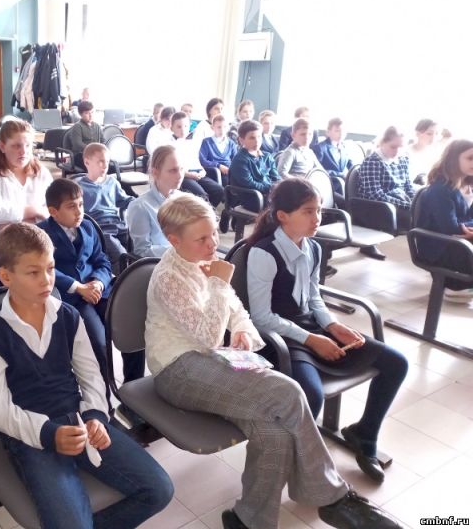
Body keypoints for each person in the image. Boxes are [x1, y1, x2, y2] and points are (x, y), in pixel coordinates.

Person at [146, 193, 402, 529]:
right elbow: (207, 336)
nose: (212, 244)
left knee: (275, 431)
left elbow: (237, 309)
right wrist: (219, 283)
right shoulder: (168, 277)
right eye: (201, 239)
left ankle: (249, 520)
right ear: (173, 240)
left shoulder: (203, 260)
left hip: (213, 360)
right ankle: (334, 499)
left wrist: (241, 330)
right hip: (177, 370)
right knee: (288, 391)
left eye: (213, 234)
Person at [0, 223, 173, 529]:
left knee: (159, 490)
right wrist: (48, 434)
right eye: (33, 272)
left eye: (50, 268)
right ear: (6, 276)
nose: (46, 280)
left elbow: (91, 375)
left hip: (78, 420)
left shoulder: (68, 316)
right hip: (31, 435)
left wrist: (95, 416)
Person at [247, 178, 408, 483]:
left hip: (310, 326)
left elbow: (314, 298)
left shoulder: (314, 248)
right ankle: (295, 460)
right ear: (283, 216)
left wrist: (333, 325)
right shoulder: (263, 253)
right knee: (311, 394)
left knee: (396, 363)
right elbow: (262, 317)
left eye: (319, 210)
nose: (317, 218)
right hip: (281, 337)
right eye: (308, 211)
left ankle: (365, 435)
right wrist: (312, 339)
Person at [39, 179, 145, 389]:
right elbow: (45, 268)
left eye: (81, 204)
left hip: (99, 291)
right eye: (71, 206)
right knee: (99, 343)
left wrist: (99, 282)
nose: (79, 211)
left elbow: (102, 260)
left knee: (132, 329)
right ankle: (103, 393)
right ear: (53, 211)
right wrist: (78, 287)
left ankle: (133, 387)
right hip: (72, 298)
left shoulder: (88, 227)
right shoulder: (42, 234)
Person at [415, 139, 473, 301]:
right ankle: (455, 287)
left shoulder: (469, 183)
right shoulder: (440, 189)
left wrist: (467, 228)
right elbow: (451, 228)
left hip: (462, 241)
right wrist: (467, 228)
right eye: (470, 158)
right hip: (441, 246)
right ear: (454, 159)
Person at [0, 117, 53, 228]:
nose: (23, 151)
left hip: (40, 233)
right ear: (2, 147)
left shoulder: (41, 172)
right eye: (16, 146)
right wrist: (34, 211)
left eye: (28, 145)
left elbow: (54, 209)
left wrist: (11, 218)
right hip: (1, 237)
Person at [76, 143, 134, 269]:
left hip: (118, 224)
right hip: (99, 229)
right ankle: (122, 278)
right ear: (87, 162)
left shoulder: (112, 182)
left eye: (107, 161)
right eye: (100, 161)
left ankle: (136, 271)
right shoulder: (79, 187)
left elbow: (124, 200)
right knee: (120, 254)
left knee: (136, 246)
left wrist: (140, 202)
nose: (105, 165)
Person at [126, 145, 183, 257]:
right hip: (160, 264)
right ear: (155, 172)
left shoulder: (184, 200)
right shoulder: (140, 207)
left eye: (181, 169)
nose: (180, 175)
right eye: (173, 170)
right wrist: (179, 250)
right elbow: (142, 251)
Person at [358, 126, 415, 236]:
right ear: (382, 143)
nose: (397, 151)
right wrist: (407, 205)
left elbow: (408, 187)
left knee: (425, 213)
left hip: (400, 202)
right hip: (379, 207)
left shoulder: (403, 159)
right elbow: (375, 195)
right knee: (417, 219)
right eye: (393, 147)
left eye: (401, 147)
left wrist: (415, 202)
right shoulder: (372, 161)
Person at [171, 111, 224, 206]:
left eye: (185, 126)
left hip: (196, 173)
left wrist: (202, 170)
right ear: (172, 128)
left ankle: (208, 212)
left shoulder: (191, 143)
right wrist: (189, 174)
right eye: (179, 127)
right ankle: (204, 213)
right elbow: (171, 168)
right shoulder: (169, 145)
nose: (183, 130)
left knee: (219, 190)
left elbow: (196, 161)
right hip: (182, 176)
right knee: (202, 196)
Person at [228, 120, 281, 211]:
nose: (257, 141)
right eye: (252, 138)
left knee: (292, 197)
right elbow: (249, 184)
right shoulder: (240, 160)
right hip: (252, 197)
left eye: (259, 137)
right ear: (241, 140)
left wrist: (280, 186)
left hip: (268, 193)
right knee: (283, 205)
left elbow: (276, 177)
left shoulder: (267, 156)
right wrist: (271, 187)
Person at [198, 113, 237, 184]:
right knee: (228, 182)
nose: (222, 130)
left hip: (229, 171)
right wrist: (218, 166)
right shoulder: (206, 142)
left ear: (228, 128)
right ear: (212, 128)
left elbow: (235, 160)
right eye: (219, 127)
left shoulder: (231, 143)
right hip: (214, 172)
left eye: (224, 127)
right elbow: (202, 160)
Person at [66, 100, 103, 169]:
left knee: (112, 166)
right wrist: (93, 150)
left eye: (92, 112)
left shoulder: (97, 126)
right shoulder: (77, 126)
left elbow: (102, 140)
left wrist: (102, 150)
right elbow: (77, 144)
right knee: (96, 166)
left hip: (95, 155)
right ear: (81, 114)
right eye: (87, 113)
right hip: (80, 155)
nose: (90, 115)